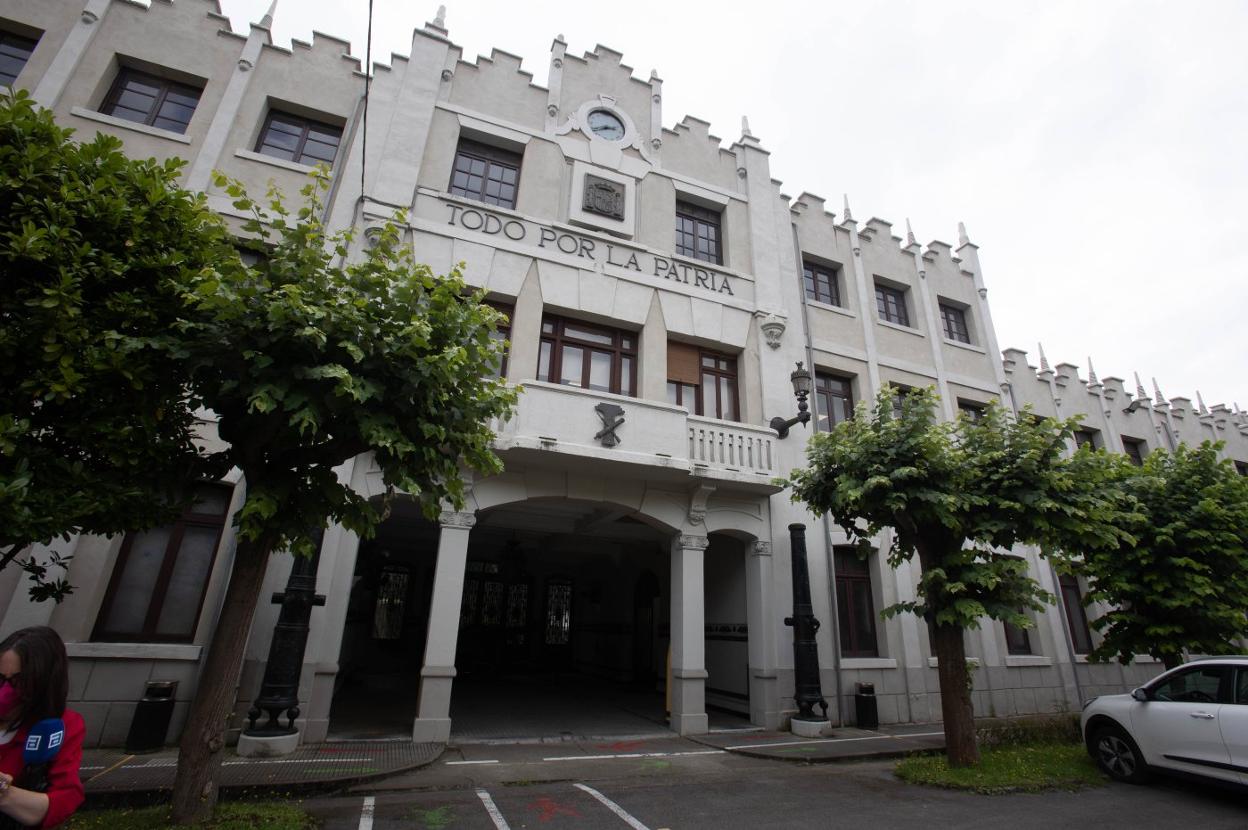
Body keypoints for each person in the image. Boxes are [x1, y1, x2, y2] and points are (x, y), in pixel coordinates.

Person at [0, 628, 84, 828]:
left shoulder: (59, 727)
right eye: (0, 678)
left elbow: (64, 799)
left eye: (17, 682)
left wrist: (5, 793)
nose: (5, 692)